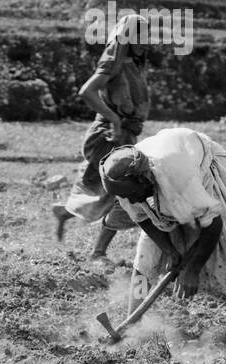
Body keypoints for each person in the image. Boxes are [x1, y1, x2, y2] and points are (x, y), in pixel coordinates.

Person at [100, 128, 226, 341]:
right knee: (145, 258)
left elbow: (214, 223)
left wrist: (192, 269)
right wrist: (170, 250)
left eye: (131, 195)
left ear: (143, 180)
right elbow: (143, 219)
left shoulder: (177, 177)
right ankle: (133, 323)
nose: (130, 201)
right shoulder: (121, 182)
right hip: (168, 165)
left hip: (204, 164)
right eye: (125, 197)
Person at [52, 13, 156, 260]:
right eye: (141, 36)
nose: (146, 41)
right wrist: (115, 119)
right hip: (109, 135)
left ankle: (67, 213)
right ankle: (98, 252)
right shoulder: (114, 61)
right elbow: (87, 92)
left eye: (148, 36)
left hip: (124, 136)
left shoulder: (136, 63)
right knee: (126, 192)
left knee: (112, 193)